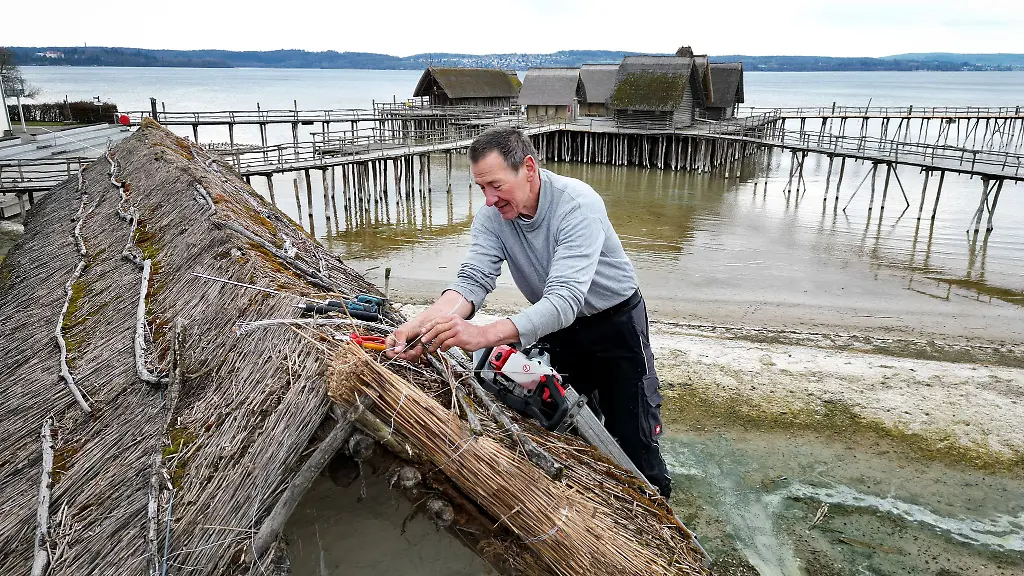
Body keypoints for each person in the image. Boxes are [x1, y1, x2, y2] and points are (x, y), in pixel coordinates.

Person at [385, 127, 672, 497]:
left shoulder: (577, 204)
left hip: (616, 323)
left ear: (529, 168)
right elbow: (471, 281)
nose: (489, 199)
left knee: (635, 438)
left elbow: (565, 299)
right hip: (558, 328)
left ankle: (661, 516)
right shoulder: (492, 218)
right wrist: (424, 324)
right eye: (481, 188)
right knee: (558, 423)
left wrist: (483, 335)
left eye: (496, 185)